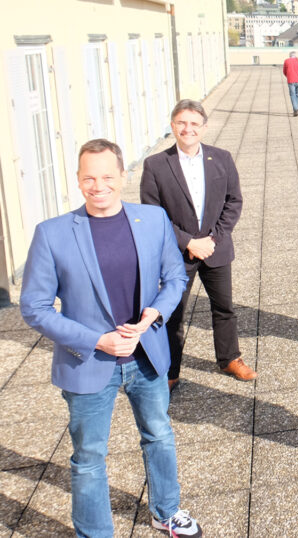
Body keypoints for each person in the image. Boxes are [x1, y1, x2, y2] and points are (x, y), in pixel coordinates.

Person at [20, 139, 203, 537]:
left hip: (147, 356)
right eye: (89, 177)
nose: (98, 185)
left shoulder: (153, 219)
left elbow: (174, 277)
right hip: (88, 363)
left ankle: (166, 512)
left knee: (158, 435)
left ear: (123, 176)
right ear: (78, 180)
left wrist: (156, 312)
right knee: (88, 457)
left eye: (106, 176)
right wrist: (97, 341)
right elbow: (33, 306)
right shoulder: (52, 234)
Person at [140, 99, 251, 390]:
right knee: (173, 313)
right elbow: (153, 214)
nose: (188, 129)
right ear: (173, 125)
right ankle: (170, 370)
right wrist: (189, 242)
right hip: (177, 254)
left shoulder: (222, 158)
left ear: (203, 128)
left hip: (216, 249)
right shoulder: (155, 165)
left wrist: (212, 240)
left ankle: (229, 358)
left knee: (225, 307)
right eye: (181, 123)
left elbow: (233, 202)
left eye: (194, 124)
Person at [283, 51, 298, 117]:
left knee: (292, 95)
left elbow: (284, 71)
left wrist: (288, 76)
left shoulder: (286, 61)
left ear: (290, 55)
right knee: (297, 94)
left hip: (291, 81)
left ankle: (295, 109)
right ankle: (295, 109)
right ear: (295, 55)